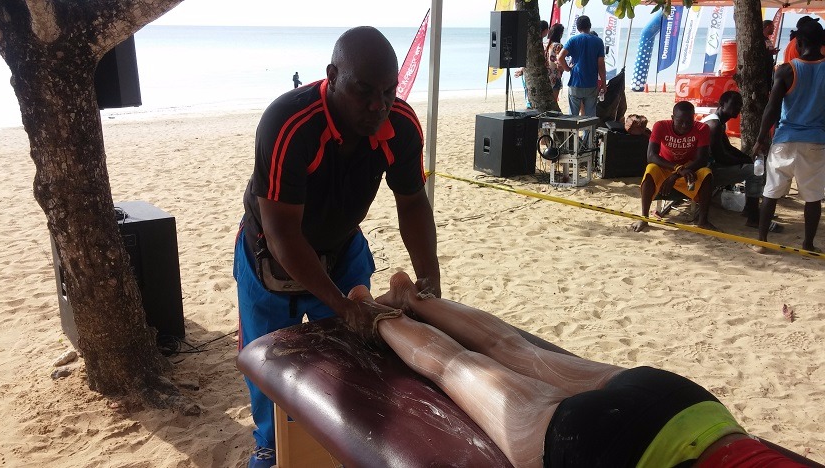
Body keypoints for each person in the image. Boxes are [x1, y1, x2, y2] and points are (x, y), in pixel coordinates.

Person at [234, 26, 441, 467]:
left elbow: (412, 202)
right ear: (332, 76)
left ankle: (346, 444)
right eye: (363, 91)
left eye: (388, 91)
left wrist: (429, 274)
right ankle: (271, 449)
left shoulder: (399, 126)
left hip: (343, 248)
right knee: (273, 371)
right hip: (270, 255)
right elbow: (282, 234)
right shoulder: (289, 125)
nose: (377, 105)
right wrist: (340, 303)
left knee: (359, 361)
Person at [344, 271, 808, 468]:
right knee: (454, 366)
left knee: (506, 345)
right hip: (612, 450)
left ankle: (409, 294)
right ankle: (373, 311)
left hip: (686, 404)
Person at [752, 20, 825, 254]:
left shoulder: (786, 70)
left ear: (798, 42)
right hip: (816, 141)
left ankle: (762, 241)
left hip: (785, 140)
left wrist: (761, 137)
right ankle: (808, 244)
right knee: (812, 198)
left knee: (771, 192)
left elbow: (772, 108)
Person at [700, 91, 779, 232]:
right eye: (735, 104)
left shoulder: (718, 121)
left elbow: (727, 148)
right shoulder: (714, 124)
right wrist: (744, 163)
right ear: (722, 104)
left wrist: (746, 159)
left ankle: (750, 209)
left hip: (709, 168)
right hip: (705, 173)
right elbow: (721, 157)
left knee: (751, 167)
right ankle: (753, 217)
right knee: (754, 173)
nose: (738, 108)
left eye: (740, 105)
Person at [631, 101, 714, 232]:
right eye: (680, 121)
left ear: (694, 118)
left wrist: (677, 175)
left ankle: (703, 220)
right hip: (665, 167)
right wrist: (677, 169)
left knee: (707, 173)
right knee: (650, 169)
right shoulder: (661, 126)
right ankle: (644, 218)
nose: (685, 125)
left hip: (689, 170)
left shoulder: (702, 129)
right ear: (672, 118)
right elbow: (651, 156)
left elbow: (702, 159)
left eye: (689, 121)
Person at [556, 15, 605, 119]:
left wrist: (567, 69)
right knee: (589, 118)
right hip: (591, 83)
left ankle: (573, 135)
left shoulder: (573, 40)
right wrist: (604, 84)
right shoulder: (598, 42)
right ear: (590, 26)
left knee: (572, 117)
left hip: (575, 83)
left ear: (578, 28)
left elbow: (560, 57)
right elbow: (601, 65)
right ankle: (587, 136)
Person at [544, 23, 566, 105]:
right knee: (553, 102)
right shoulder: (558, 46)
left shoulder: (543, 44)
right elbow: (559, 64)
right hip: (555, 77)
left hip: (544, 76)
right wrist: (566, 68)